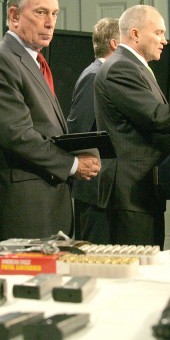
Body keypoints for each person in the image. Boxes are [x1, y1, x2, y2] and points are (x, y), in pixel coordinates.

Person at [0, 0, 101, 240]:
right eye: (41, 12)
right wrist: (72, 164)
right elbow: (18, 135)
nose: (50, 22)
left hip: (49, 203)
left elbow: (47, 129)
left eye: (54, 13)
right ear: (14, 16)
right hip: (25, 210)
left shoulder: (34, 62)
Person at [94, 4, 170, 248]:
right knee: (137, 265)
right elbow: (156, 116)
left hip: (143, 189)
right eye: (158, 32)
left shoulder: (134, 66)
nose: (164, 40)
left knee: (149, 261)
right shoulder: (121, 67)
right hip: (130, 191)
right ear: (135, 34)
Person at [66, 17, 120, 244]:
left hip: (105, 190)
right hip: (95, 190)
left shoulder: (105, 73)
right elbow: (78, 130)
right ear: (115, 44)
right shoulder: (94, 76)